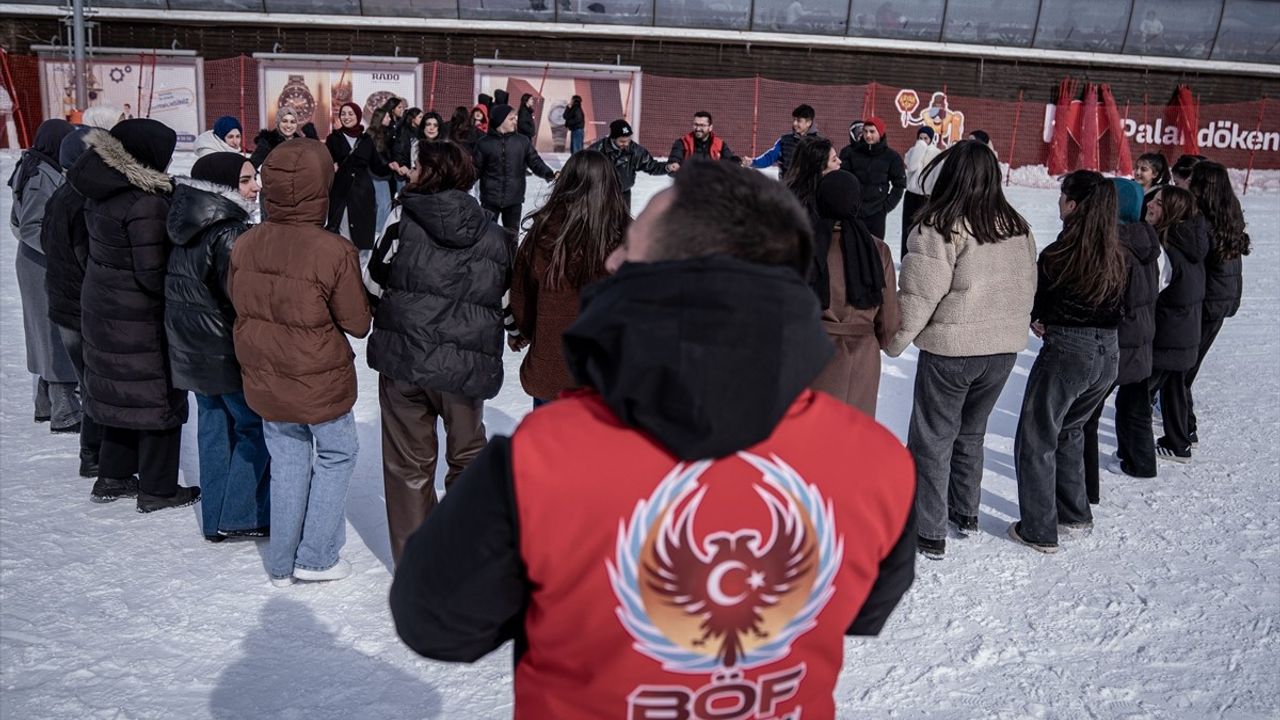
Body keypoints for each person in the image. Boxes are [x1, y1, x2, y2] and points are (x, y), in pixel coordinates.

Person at [389, 159, 916, 718]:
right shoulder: (878, 463)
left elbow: (436, 622)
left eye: (632, 249)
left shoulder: (543, 459)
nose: (612, 260)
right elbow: (862, 607)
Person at [229, 138, 372, 586]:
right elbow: (358, 322)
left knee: (288, 459)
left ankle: (281, 560)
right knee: (336, 452)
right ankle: (317, 557)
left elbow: (239, 299)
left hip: (265, 371)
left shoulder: (246, 243)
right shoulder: (333, 250)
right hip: (318, 377)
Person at [364, 142, 513, 565]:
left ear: (429, 174)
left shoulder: (400, 217)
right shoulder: (494, 231)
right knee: (467, 457)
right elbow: (504, 300)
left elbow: (374, 283)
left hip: (405, 360)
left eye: (416, 167)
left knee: (408, 465)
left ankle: (417, 568)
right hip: (465, 369)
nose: (409, 173)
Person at [886, 141, 1037, 558]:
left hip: (953, 350)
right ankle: (964, 512)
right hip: (1002, 351)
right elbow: (1027, 286)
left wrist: (895, 340)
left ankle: (928, 529)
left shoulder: (940, 225)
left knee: (932, 438)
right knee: (970, 433)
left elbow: (918, 294)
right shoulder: (1017, 226)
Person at [66, 119, 198, 511]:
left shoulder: (103, 187)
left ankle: (114, 475)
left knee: (118, 391)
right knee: (158, 396)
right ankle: (158, 489)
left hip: (103, 304)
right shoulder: (146, 201)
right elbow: (151, 270)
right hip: (138, 315)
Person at [1010, 171, 1126, 554]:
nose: (1058, 204)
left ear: (1073, 205)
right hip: (1108, 353)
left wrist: (1041, 316)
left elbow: (1039, 304)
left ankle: (1039, 529)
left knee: (1038, 435)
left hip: (1069, 351)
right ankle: (1074, 512)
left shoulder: (1060, 254)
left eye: (1062, 197)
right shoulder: (1115, 252)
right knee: (1071, 430)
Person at [165, 152, 270, 543]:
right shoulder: (229, 231)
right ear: (224, 187)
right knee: (254, 427)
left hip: (192, 348)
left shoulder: (187, 222)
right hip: (222, 348)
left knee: (213, 428)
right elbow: (240, 298)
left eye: (254, 178)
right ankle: (241, 514)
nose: (255, 186)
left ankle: (215, 519)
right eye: (245, 181)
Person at [785, 137, 900, 418]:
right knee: (851, 441)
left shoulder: (802, 243)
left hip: (811, 353)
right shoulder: (878, 249)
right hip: (862, 360)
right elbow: (889, 322)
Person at [507, 150, 629, 405]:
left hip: (553, 370)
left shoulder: (543, 232)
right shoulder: (630, 236)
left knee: (547, 444)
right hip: (608, 373)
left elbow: (522, 294)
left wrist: (522, 332)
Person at [9, 119, 81, 434]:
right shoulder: (40, 175)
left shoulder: (38, 166)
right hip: (42, 265)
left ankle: (46, 403)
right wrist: (61, 251)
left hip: (36, 262)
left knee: (45, 333)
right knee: (54, 335)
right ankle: (64, 411)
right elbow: (29, 227)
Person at [1090, 179, 1161, 486]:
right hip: (1143, 333)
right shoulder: (1147, 239)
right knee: (1136, 403)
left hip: (1118, 337)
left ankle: (1083, 487)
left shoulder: (1115, 245)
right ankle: (1142, 462)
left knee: (1085, 414)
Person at [41, 127, 103, 477]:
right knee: (94, 384)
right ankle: (93, 456)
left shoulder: (63, 195)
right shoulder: (80, 199)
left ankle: (94, 453)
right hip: (79, 309)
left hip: (65, 307)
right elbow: (85, 256)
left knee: (89, 381)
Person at [1186, 161, 1250, 450]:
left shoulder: (1204, 219)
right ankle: (1180, 421)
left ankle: (1184, 430)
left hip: (1208, 301)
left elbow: (1193, 255)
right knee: (1188, 365)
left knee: (1182, 367)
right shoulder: (1228, 212)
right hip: (1222, 300)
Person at [1144, 185, 1209, 465]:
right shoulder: (1188, 241)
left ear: (1171, 211)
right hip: (1185, 332)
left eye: (1158, 203)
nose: (1150, 205)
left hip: (1169, 333)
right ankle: (1180, 441)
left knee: (1138, 394)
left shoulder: (1167, 248)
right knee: (1173, 387)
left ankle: (1136, 456)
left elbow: (1152, 292)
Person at [473, 103, 556, 232]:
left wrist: (549, 174)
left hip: (514, 200)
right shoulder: (484, 143)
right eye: (511, 118)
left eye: (515, 117)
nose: (515, 120)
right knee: (486, 236)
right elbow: (475, 169)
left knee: (511, 238)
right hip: (490, 200)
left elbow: (535, 162)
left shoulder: (522, 141)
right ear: (501, 121)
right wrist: (460, 185)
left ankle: (510, 253)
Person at [325, 102, 393, 256]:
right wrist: (331, 167)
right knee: (341, 234)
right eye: (343, 114)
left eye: (350, 114)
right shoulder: (333, 139)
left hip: (363, 194)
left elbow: (376, 166)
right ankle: (342, 271)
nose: (346, 117)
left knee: (362, 237)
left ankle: (358, 273)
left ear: (358, 116)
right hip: (341, 192)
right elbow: (325, 162)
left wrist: (391, 167)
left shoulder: (366, 140)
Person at [839, 116, 906, 241]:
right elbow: (843, 180)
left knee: (875, 250)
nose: (868, 135)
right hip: (854, 211)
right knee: (853, 247)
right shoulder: (852, 153)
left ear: (880, 133)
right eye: (865, 131)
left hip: (877, 213)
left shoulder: (892, 157)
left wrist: (886, 206)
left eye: (872, 131)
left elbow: (900, 184)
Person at [588, 119, 672, 210]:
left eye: (628, 140)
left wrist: (667, 167)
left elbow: (651, 165)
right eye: (622, 141)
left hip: (623, 194)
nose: (626, 144)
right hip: (600, 195)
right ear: (613, 138)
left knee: (623, 222)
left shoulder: (635, 151)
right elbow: (583, 172)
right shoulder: (596, 151)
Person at [745, 103, 820, 176]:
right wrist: (753, 162)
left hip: (810, 188)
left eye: (799, 121)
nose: (794, 123)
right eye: (794, 119)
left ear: (809, 123)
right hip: (786, 186)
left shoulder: (820, 144)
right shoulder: (784, 141)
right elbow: (770, 157)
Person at [901, 126, 940, 257]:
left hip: (927, 196)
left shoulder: (937, 154)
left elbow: (937, 176)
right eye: (920, 138)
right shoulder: (913, 151)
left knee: (923, 227)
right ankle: (905, 255)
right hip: (911, 194)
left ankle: (921, 255)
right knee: (908, 226)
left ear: (931, 139)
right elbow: (911, 166)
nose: (922, 140)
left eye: (925, 138)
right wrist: (920, 148)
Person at [667, 111, 741, 169]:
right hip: (688, 184)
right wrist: (673, 166)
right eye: (696, 124)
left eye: (702, 125)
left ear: (710, 127)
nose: (698, 129)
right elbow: (672, 165)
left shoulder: (720, 144)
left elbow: (729, 163)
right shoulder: (682, 143)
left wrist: (738, 161)